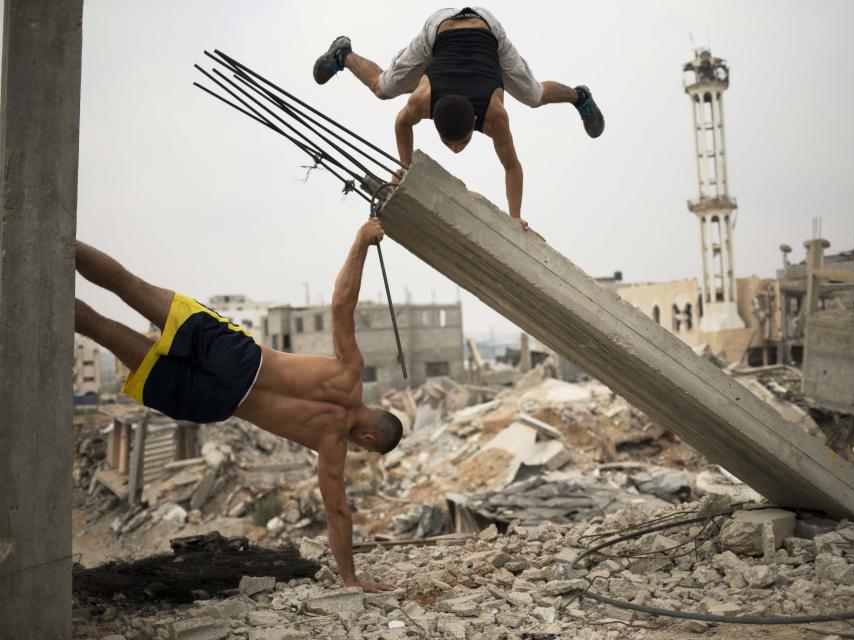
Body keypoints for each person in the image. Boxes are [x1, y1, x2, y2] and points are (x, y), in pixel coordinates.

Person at [74, 219, 398, 593]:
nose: (361, 450)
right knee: (102, 330)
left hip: (239, 357)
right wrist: (351, 578)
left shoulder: (349, 373)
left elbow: (342, 302)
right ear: (370, 437)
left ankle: (51, 245)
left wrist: (361, 241)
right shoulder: (331, 443)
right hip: (219, 400)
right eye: (367, 449)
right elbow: (338, 511)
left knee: (129, 286)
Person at [312, 6, 604, 231]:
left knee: (535, 96)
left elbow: (512, 166)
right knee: (383, 88)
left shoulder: (494, 116)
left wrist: (515, 217)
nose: (455, 149)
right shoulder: (421, 101)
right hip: (439, 29)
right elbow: (402, 122)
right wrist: (406, 168)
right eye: (450, 143)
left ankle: (580, 97)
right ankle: (342, 54)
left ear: (477, 126)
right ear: (432, 119)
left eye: (461, 143)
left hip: (488, 29)